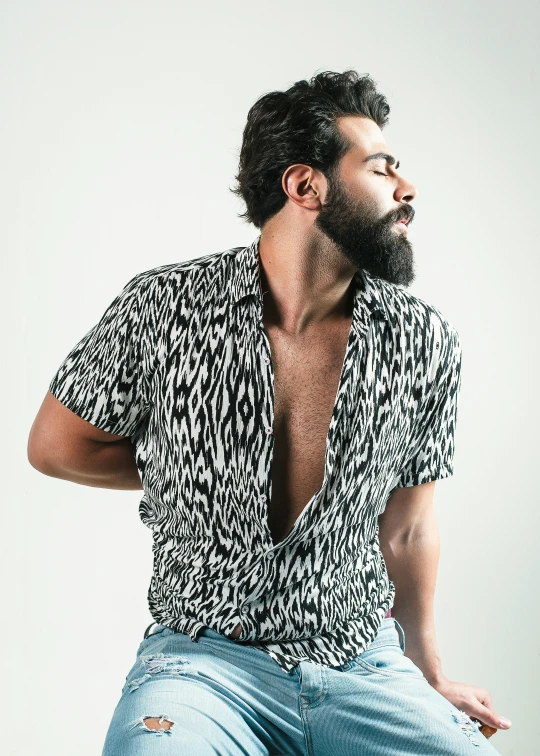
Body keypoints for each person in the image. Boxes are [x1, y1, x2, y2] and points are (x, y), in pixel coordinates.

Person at [28, 69, 510, 754]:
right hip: (201, 662)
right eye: (381, 170)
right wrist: (191, 471)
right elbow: (56, 445)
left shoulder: (421, 338)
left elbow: (407, 530)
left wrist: (428, 672)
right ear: (305, 186)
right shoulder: (165, 309)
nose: (408, 190)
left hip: (361, 661)